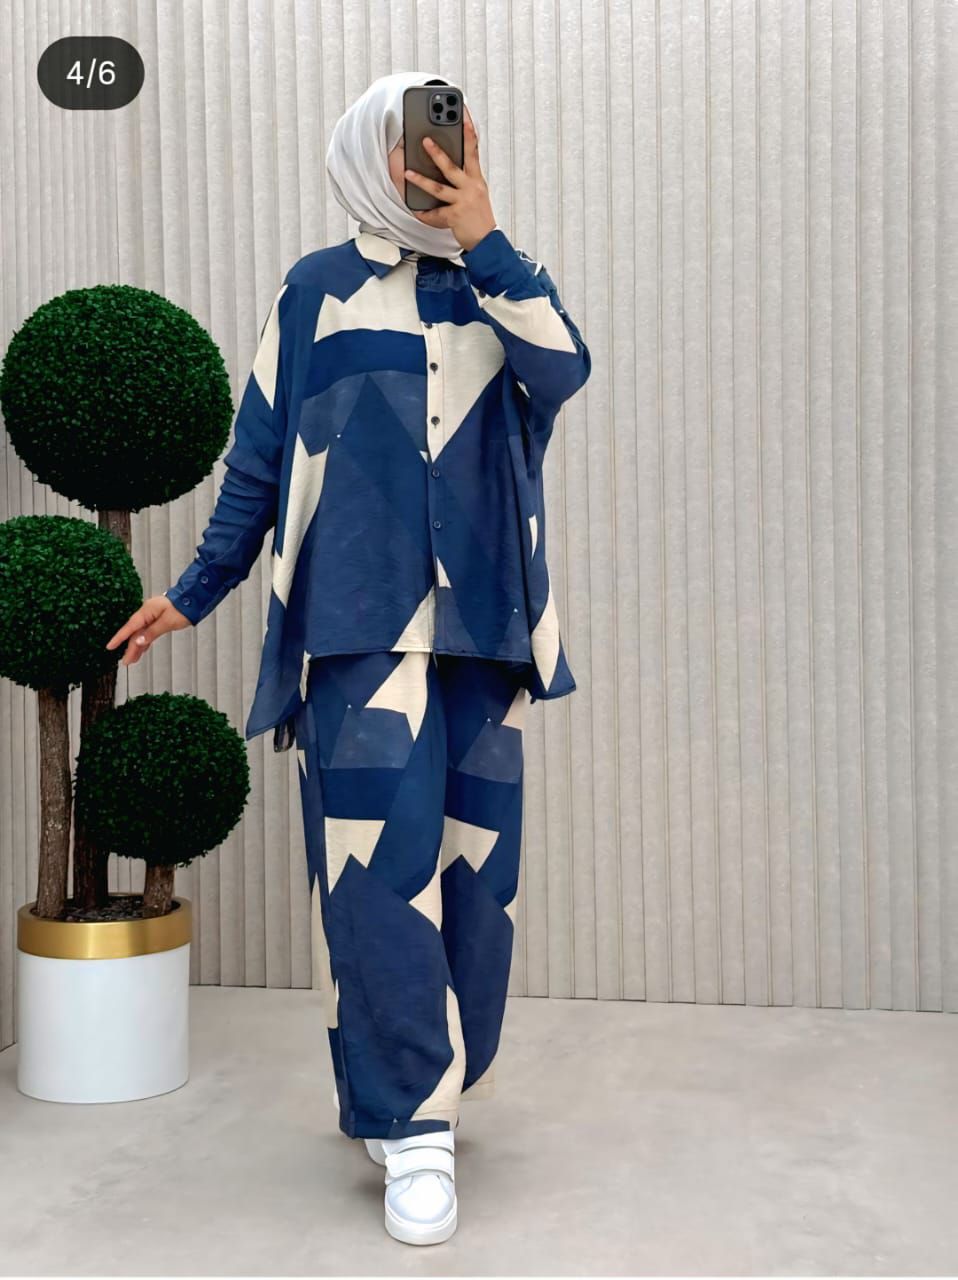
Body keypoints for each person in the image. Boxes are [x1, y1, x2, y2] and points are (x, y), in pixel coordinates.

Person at [106, 69, 591, 1246]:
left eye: (453, 141)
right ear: (369, 156)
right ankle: (415, 1124)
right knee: (377, 883)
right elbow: (259, 461)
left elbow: (564, 372)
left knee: (477, 891)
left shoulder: (502, 287)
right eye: (412, 145)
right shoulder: (315, 291)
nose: (433, 161)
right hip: (356, 633)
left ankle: (414, 1085)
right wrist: (194, 589)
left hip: (482, 635)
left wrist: (486, 239)